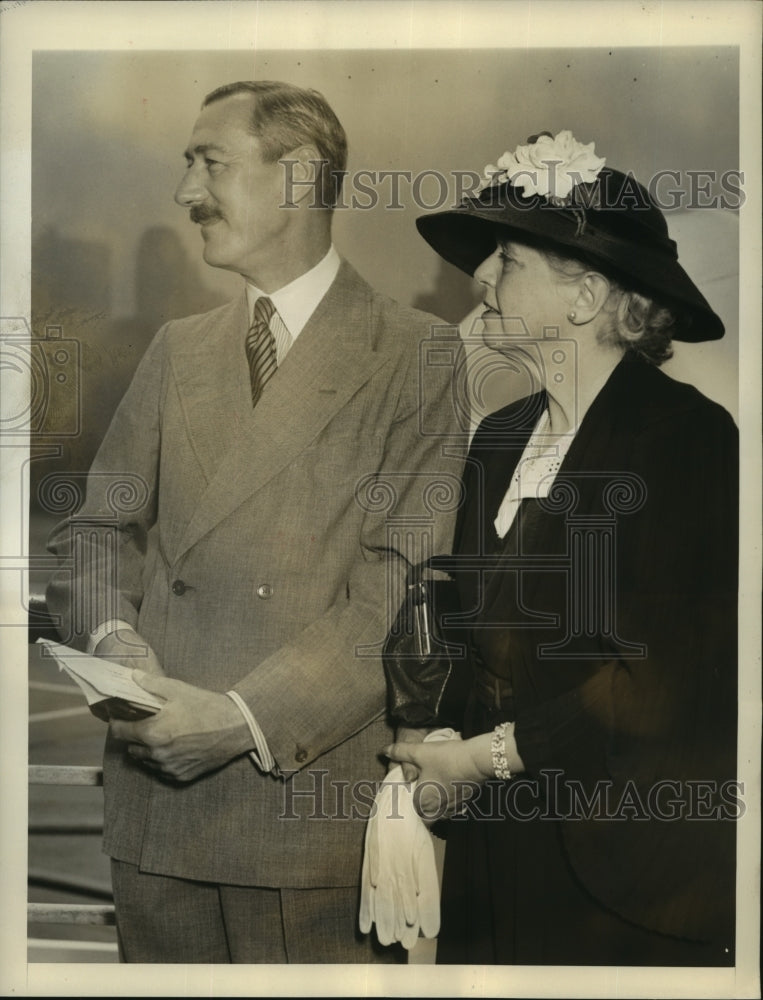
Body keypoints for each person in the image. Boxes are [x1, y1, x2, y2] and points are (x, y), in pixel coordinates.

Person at [45, 80, 463, 964]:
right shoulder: (176, 350)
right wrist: (117, 643)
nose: (185, 192)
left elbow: (397, 589)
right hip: (156, 821)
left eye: (211, 163)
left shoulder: (415, 352)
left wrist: (240, 719)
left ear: (300, 178)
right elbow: (90, 535)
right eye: (185, 165)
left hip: (304, 827)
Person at [386, 130, 738, 966]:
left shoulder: (686, 440)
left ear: (584, 298)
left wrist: (484, 758)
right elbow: (470, 632)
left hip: (624, 878)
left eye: (506, 259)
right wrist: (436, 739)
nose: (479, 282)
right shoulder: (500, 437)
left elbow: (661, 683)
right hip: (494, 860)